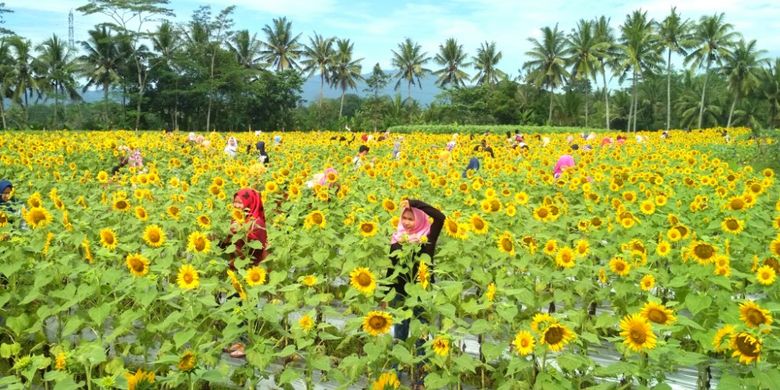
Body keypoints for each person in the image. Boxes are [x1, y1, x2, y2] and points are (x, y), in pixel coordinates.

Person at [386, 199, 445, 386]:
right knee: (400, 334)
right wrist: (387, 295)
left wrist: (413, 203)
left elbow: (440, 217)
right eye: (404, 217)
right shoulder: (397, 239)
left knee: (421, 334)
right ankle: (396, 370)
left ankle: (422, 375)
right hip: (401, 293)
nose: (406, 222)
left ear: (419, 219)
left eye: (411, 218)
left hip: (421, 293)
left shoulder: (427, 237)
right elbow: (391, 269)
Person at [221, 188, 268, 358]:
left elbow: (257, 246)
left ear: (251, 202)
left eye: (240, 202)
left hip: (251, 273)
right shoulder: (239, 219)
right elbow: (229, 243)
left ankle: (245, 344)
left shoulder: (257, 223)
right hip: (236, 269)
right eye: (235, 201)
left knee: (247, 307)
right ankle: (235, 341)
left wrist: (241, 231)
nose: (237, 205)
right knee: (234, 305)